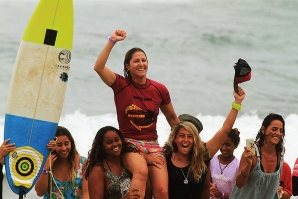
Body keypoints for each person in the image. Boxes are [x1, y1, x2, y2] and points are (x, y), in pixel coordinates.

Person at [94, 29, 179, 199]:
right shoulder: (120, 84)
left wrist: (187, 144)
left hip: (152, 145)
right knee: (141, 171)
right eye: (136, 61)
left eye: (144, 60)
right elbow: (99, 67)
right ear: (128, 66)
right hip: (129, 143)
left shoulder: (159, 89)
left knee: (162, 191)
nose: (141, 64)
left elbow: (172, 119)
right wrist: (112, 41)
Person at [163, 87, 245, 199]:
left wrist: (237, 103)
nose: (186, 140)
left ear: (196, 139)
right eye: (182, 135)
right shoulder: (164, 156)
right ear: (175, 138)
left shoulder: (203, 155)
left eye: (190, 136)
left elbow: (225, 129)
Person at [229, 113, 285, 199]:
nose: (278, 133)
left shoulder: (281, 152)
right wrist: (248, 165)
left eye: (281, 130)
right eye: (274, 129)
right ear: (263, 130)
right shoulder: (252, 150)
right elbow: (239, 184)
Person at [85, 126, 141, 199]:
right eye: (109, 142)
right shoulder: (98, 170)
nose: (115, 144)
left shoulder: (129, 161)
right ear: (102, 146)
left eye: (117, 140)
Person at [35, 126, 89, 199]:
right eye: (59, 145)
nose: (64, 148)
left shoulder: (82, 162)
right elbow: (39, 192)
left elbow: (86, 193)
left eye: (66, 144)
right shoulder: (46, 162)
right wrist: (46, 168)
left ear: (71, 143)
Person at [210, 128, 241, 199]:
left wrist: (222, 195)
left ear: (235, 145)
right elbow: (206, 183)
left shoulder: (238, 166)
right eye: (221, 144)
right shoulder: (212, 161)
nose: (224, 148)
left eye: (227, 145)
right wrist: (210, 188)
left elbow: (239, 194)